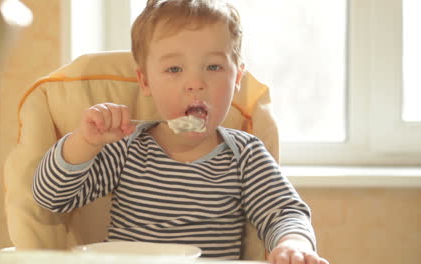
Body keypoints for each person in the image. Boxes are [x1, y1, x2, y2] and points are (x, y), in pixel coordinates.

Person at [33, 0, 328, 263]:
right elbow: (52, 197)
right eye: (174, 69)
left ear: (236, 78)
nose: (195, 83)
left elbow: (284, 213)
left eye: (213, 67)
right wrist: (84, 142)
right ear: (145, 81)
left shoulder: (245, 154)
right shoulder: (126, 146)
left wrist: (293, 245)